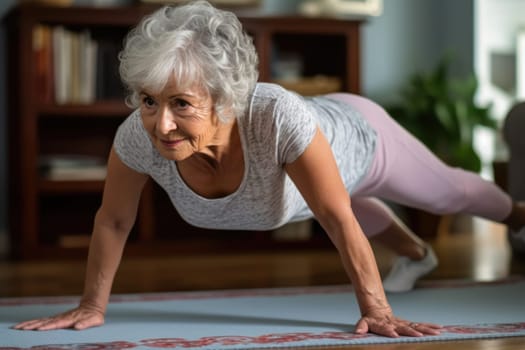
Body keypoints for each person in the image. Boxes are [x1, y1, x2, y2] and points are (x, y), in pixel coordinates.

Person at [14, 0, 525, 338]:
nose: (160, 124)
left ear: (225, 101)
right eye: (148, 100)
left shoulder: (277, 116)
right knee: (334, 197)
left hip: (362, 140)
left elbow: (336, 217)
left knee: (448, 194)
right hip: (319, 184)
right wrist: (91, 305)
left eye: (181, 104)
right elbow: (114, 220)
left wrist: (377, 309)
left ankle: (518, 216)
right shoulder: (137, 134)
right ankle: (415, 252)